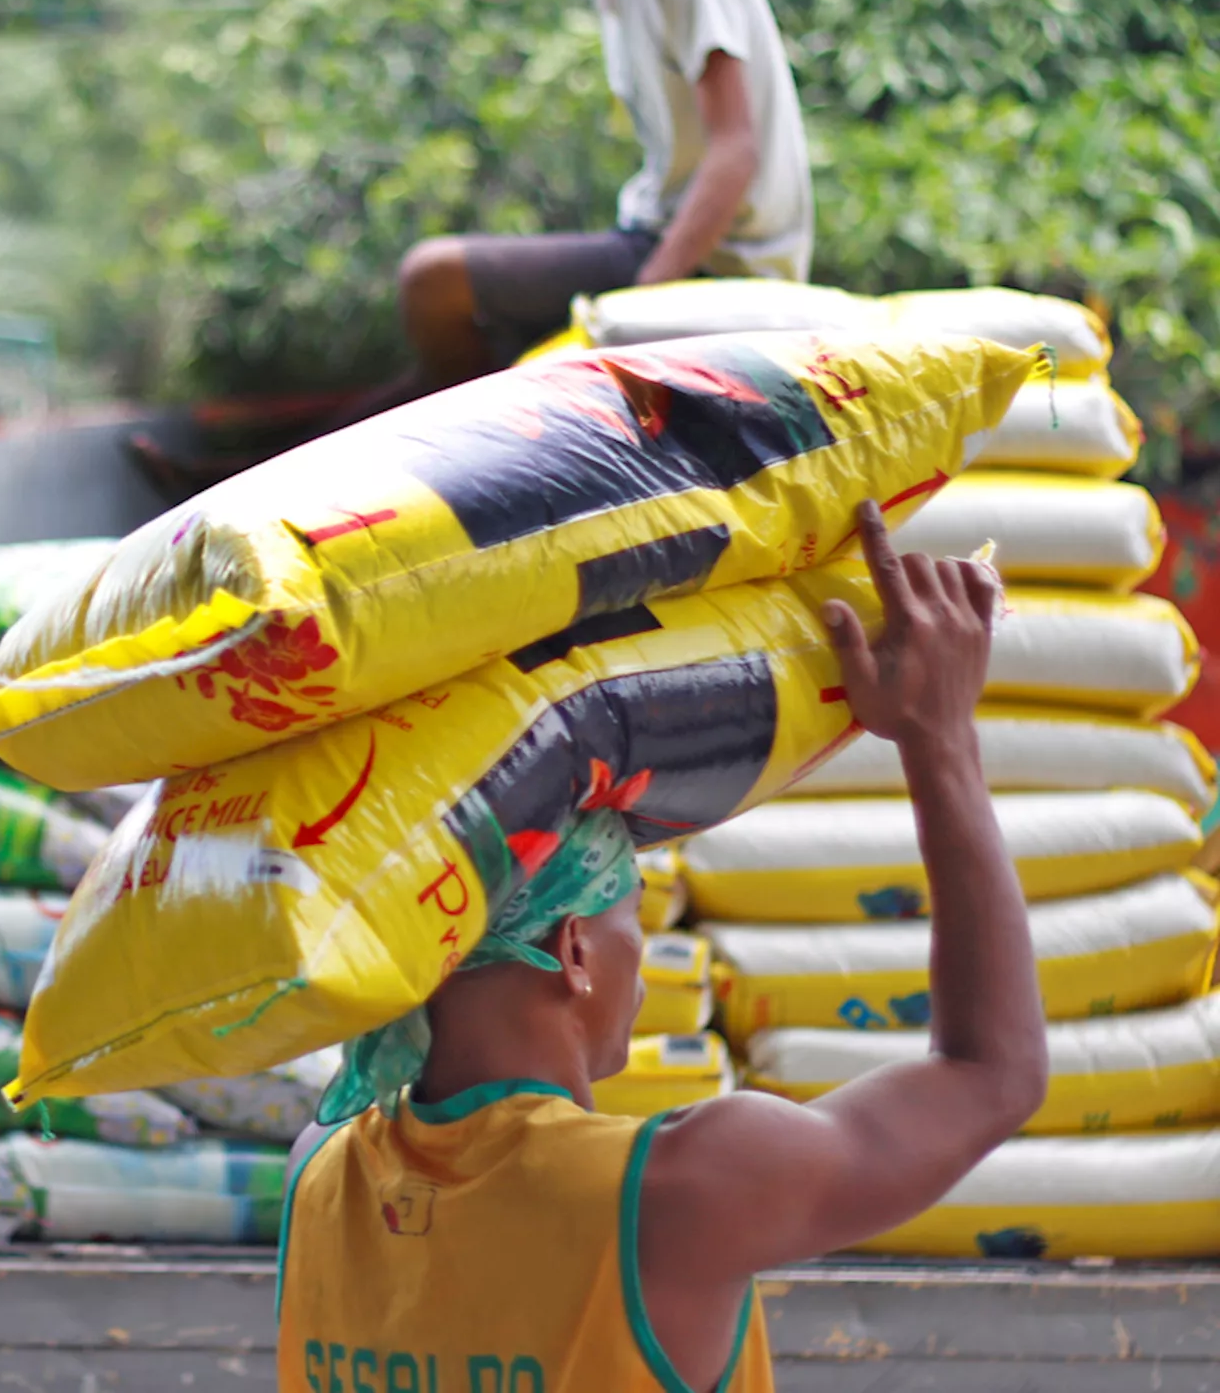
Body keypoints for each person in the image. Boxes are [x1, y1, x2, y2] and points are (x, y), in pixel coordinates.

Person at [276, 502, 1048, 1393]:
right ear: (575, 951)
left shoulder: (317, 1174)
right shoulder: (674, 1196)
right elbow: (995, 1076)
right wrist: (940, 737)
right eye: (631, 917)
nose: (642, 974)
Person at [396, 0, 815, 391]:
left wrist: (644, 300)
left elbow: (736, 150)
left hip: (714, 262)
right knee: (452, 332)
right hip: (650, 238)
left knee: (433, 279)